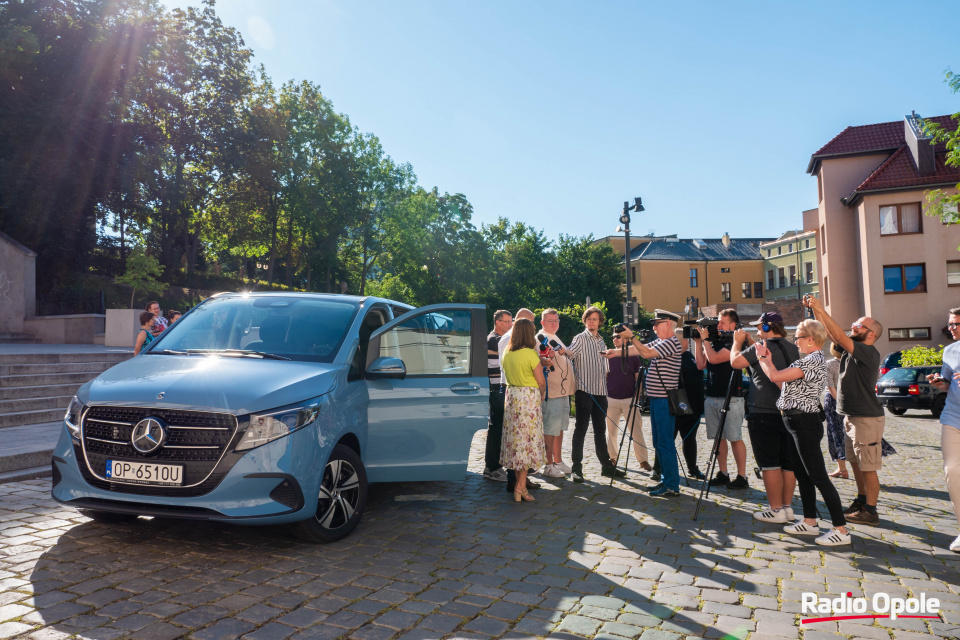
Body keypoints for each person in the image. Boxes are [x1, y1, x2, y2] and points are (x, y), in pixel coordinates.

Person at [754, 319, 850, 546]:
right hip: (794, 420)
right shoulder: (807, 359)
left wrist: (763, 358)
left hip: (804, 422)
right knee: (803, 474)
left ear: (810, 339)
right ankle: (809, 521)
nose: (794, 341)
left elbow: (776, 376)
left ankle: (841, 530)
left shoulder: (813, 360)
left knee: (818, 476)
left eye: (797, 337)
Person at [804, 295, 885, 526]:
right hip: (851, 416)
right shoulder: (853, 350)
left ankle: (871, 511)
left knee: (868, 467)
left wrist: (820, 307)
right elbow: (833, 335)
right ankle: (861, 502)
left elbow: (839, 334)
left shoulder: (868, 352)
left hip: (866, 418)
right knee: (856, 463)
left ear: (871, 334)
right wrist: (816, 311)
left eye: (859, 325)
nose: (854, 326)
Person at [730, 312, 799, 524]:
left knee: (769, 464)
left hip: (763, 412)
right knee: (788, 464)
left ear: (768, 328)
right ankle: (787, 508)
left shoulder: (760, 348)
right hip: (789, 412)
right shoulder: (792, 348)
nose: (758, 331)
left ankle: (775, 509)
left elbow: (735, 363)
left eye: (760, 328)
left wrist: (736, 343)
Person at [620, 309, 683, 497]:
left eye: (657, 323)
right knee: (659, 442)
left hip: (664, 401)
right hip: (657, 400)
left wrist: (632, 337)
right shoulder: (662, 341)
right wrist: (612, 353)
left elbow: (645, 353)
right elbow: (637, 349)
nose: (654, 327)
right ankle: (665, 481)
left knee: (665, 443)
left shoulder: (671, 342)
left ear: (669, 324)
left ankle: (671, 485)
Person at [560, 306, 623, 482]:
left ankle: (606, 467)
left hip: (601, 392)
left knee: (600, 430)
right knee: (580, 429)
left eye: (595, 319)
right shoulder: (580, 338)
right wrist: (563, 351)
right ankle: (577, 469)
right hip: (584, 391)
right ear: (585, 321)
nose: (591, 322)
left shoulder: (602, 341)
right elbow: (570, 352)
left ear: (600, 322)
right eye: (589, 319)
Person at [698, 309, 748, 489]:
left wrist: (704, 340)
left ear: (733, 325)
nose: (718, 326)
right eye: (718, 322)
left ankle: (742, 476)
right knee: (719, 438)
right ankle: (723, 473)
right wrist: (699, 342)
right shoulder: (714, 342)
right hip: (712, 395)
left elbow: (714, 358)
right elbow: (701, 364)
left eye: (722, 323)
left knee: (735, 437)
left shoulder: (733, 343)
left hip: (732, 397)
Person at [498, 308, 545, 493]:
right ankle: (520, 487)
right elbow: (540, 381)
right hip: (528, 399)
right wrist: (541, 393)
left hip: (512, 397)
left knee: (515, 441)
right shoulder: (530, 354)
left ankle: (519, 484)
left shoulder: (507, 353)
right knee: (527, 442)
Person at [927, 307, 960, 552]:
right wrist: (941, 383)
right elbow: (950, 386)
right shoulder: (949, 350)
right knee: (953, 473)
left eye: (956, 323)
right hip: (953, 416)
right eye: (950, 323)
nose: (952, 328)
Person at [652, 331, 706, 480]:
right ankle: (657, 468)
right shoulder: (670, 357)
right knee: (667, 438)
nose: (685, 343)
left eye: (685, 340)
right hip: (675, 404)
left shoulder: (690, 356)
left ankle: (692, 468)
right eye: (683, 340)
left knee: (690, 438)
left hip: (694, 405)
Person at [602, 334, 650, 471]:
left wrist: (636, 397)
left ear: (626, 339)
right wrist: (605, 397)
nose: (615, 338)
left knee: (636, 431)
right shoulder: (609, 355)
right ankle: (612, 458)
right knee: (611, 431)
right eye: (613, 336)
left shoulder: (633, 356)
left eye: (618, 336)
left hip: (630, 399)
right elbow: (604, 377)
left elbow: (638, 378)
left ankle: (643, 460)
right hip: (611, 398)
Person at [536, 309, 574, 478]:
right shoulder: (540, 338)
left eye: (556, 320)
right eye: (549, 320)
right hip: (551, 392)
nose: (553, 323)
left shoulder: (556, 337)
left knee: (559, 428)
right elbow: (539, 361)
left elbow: (569, 354)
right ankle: (548, 464)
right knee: (550, 429)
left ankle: (557, 460)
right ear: (542, 322)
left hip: (563, 391)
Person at [483, 309, 513, 483]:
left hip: (499, 388)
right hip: (496, 389)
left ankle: (495, 465)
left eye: (511, 322)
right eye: (507, 322)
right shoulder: (495, 339)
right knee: (496, 428)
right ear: (498, 322)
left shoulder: (499, 338)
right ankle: (492, 467)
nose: (510, 325)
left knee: (499, 427)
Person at [824, 342, 848, 479]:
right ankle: (858, 468)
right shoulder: (852, 363)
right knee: (852, 434)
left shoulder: (830, 364)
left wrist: (839, 403)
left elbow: (830, 386)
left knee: (836, 433)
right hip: (850, 401)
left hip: (834, 403)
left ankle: (842, 469)